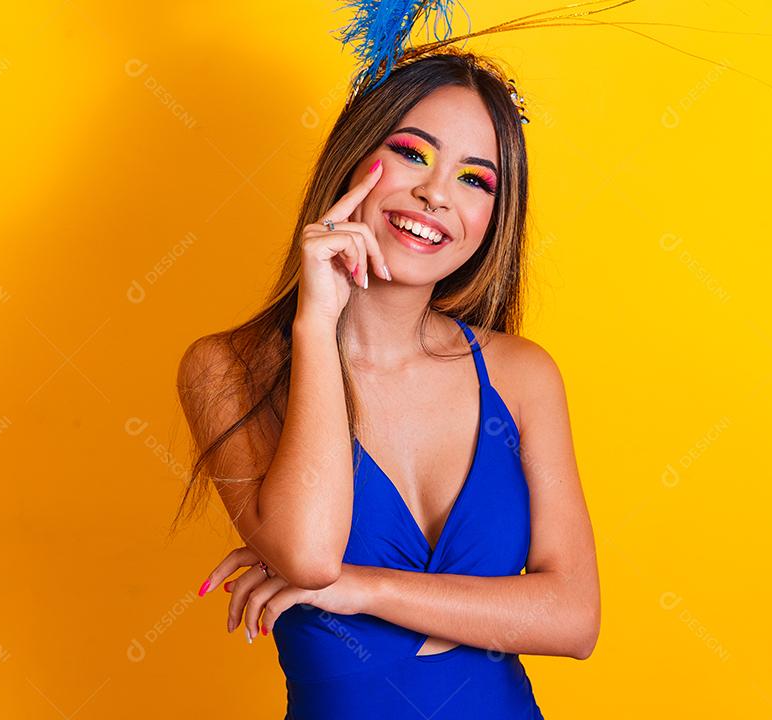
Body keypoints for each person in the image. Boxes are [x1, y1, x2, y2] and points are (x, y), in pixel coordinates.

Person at [175, 49, 600, 718]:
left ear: (495, 217)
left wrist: (362, 588)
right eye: (411, 152)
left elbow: (573, 618)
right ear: (351, 159)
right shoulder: (227, 369)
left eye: (474, 179)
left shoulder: (521, 375)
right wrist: (318, 324)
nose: (437, 192)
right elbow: (309, 557)